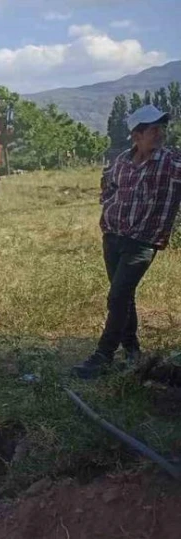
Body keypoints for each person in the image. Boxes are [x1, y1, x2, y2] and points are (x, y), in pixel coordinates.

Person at [72, 105, 180, 380]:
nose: (160, 134)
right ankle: (132, 350)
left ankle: (103, 356)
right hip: (113, 237)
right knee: (124, 296)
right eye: (153, 130)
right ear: (137, 135)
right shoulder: (121, 160)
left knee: (117, 296)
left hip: (142, 242)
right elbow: (108, 188)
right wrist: (107, 213)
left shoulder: (171, 163)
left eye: (161, 129)